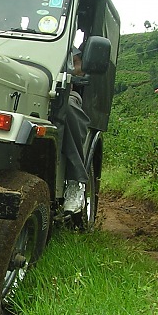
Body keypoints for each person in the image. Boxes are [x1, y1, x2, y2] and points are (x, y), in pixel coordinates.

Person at [56, 36, 90, 214]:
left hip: (63, 91)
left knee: (68, 108)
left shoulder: (61, 39)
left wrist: (69, 72)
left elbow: (80, 66)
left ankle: (76, 182)